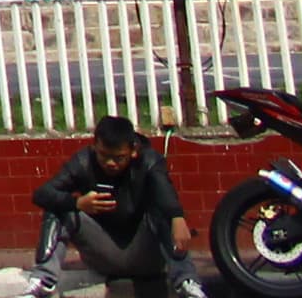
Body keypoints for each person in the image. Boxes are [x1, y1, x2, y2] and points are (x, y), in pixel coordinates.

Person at [29, 113, 205, 298]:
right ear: (95, 146)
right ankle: (43, 282)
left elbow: (164, 191)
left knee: (163, 210)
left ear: (133, 150)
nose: (110, 163)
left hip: (146, 255)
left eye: (119, 158)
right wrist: (77, 203)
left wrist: (176, 217)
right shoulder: (82, 162)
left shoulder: (149, 161)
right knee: (59, 208)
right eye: (104, 156)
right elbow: (42, 194)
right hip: (102, 254)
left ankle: (187, 283)